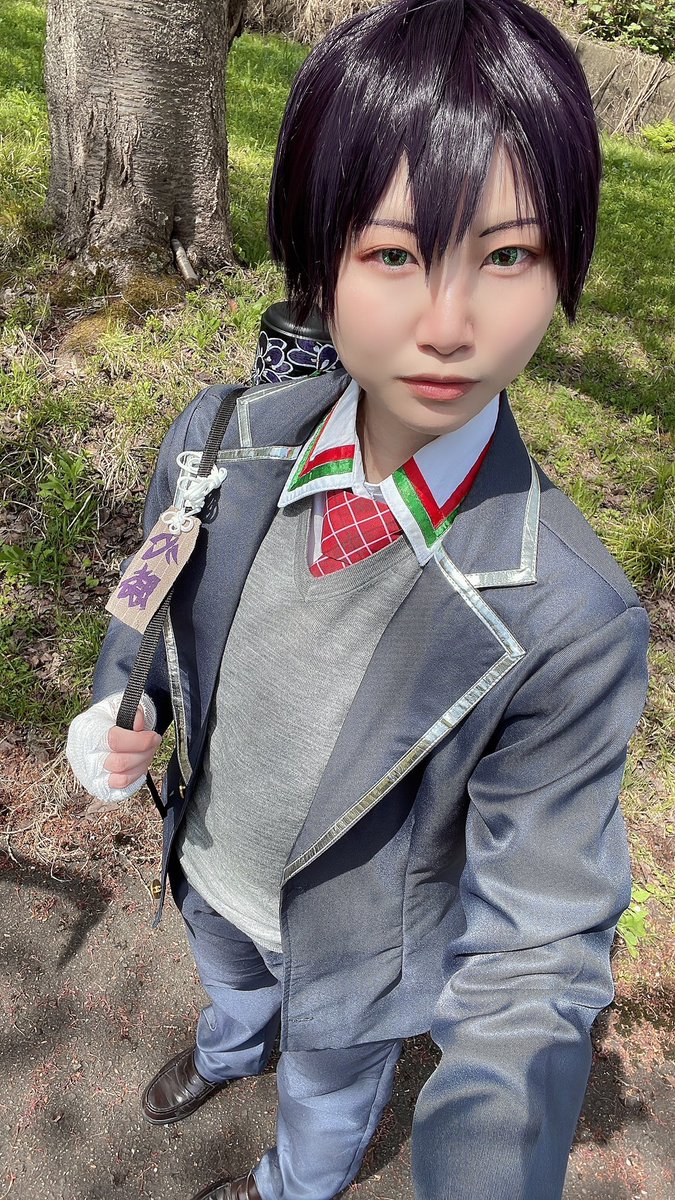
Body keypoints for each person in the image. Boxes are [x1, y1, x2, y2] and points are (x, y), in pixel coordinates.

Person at [65, 1, 650, 1197]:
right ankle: (232, 1047)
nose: (449, 325)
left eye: (508, 255)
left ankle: (293, 1183)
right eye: (394, 254)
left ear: (564, 264)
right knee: (229, 979)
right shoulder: (222, 439)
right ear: (319, 255)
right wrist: (122, 704)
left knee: (329, 1097)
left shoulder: (571, 620)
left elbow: (539, 955)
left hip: (363, 964)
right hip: (211, 860)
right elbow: (150, 608)